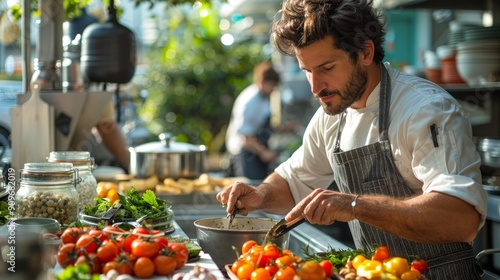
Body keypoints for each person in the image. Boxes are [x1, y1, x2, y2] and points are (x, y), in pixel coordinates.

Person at [217, 0, 488, 278]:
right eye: (307, 70)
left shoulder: (424, 109)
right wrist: (260, 195)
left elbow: (460, 218)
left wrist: (355, 205)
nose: (315, 87)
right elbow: (294, 180)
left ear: (365, 53)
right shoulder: (332, 116)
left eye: (327, 67)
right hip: (376, 272)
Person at [225, 61, 281, 180]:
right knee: (251, 188)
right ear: (263, 83)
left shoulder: (264, 98)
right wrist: (264, 153)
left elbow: (262, 124)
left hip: (256, 152)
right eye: (272, 85)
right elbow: (245, 136)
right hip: (245, 154)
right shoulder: (250, 101)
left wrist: (287, 128)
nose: (273, 89)